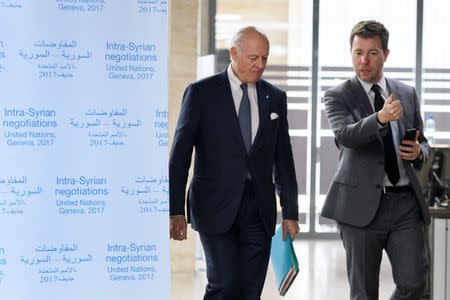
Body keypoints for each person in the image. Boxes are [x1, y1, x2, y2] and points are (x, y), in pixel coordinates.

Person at [169, 26, 299, 300]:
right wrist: (175, 210)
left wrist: (290, 212)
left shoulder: (275, 98)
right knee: (224, 285)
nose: (260, 65)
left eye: (264, 58)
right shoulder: (201, 93)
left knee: (251, 291)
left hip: (259, 210)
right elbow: (180, 156)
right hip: (213, 205)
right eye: (253, 57)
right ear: (233, 53)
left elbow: (283, 159)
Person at [322, 20, 430, 300]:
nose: (364, 60)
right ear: (351, 52)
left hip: (405, 202)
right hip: (359, 206)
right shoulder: (338, 95)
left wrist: (420, 152)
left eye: (372, 53)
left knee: (415, 281)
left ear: (386, 54)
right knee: (364, 293)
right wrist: (380, 118)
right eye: (358, 52)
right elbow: (345, 135)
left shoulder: (406, 93)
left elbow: (423, 141)